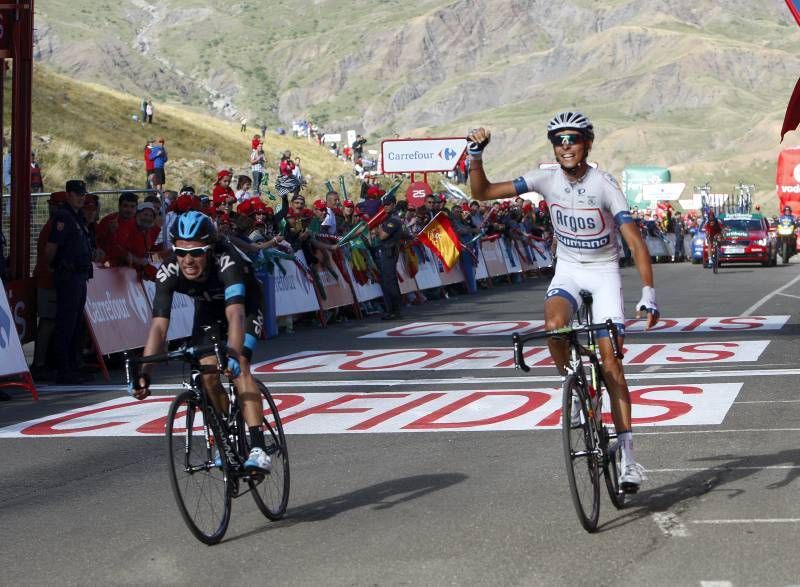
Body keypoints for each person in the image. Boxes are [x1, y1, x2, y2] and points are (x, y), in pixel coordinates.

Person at [467, 111, 659, 492]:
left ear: (587, 143)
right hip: (569, 269)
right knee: (554, 327)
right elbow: (483, 193)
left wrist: (648, 294)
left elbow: (635, 241)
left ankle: (630, 460)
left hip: (603, 272)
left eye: (573, 138)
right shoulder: (544, 179)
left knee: (611, 366)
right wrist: (475, 155)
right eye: (559, 140)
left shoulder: (605, 184)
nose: (566, 145)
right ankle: (571, 382)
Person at [130, 211, 271, 472]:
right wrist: (145, 373)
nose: (188, 260)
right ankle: (226, 439)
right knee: (207, 375)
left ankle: (259, 448)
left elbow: (236, 314)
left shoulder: (227, 262)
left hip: (245, 305)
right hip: (208, 309)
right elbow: (159, 327)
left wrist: (232, 353)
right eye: (181, 252)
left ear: (209, 250)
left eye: (196, 252)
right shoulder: (169, 271)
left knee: (238, 362)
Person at [44, 180, 94, 384]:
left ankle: (73, 366)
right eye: (77, 193)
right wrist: (57, 267)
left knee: (75, 325)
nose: (81, 197)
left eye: (83, 193)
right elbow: (51, 248)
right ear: (68, 194)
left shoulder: (77, 217)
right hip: (69, 276)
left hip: (80, 275)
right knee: (66, 324)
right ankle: (63, 369)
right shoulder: (63, 216)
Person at [31, 191, 68, 379]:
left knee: (52, 321)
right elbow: (49, 253)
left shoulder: (55, 224)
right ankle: (39, 363)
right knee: (47, 321)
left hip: (53, 278)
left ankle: (45, 361)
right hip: (48, 279)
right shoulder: (54, 226)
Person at [374, 194, 409, 320]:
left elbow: (383, 235)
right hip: (386, 251)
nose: (386, 207)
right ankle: (393, 310)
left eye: (388, 204)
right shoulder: (389, 218)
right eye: (384, 204)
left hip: (389, 252)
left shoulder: (393, 220)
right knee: (388, 281)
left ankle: (395, 310)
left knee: (390, 282)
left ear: (394, 204)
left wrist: (375, 230)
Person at [96, 191, 139, 264]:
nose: (129, 210)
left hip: (133, 264)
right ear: (119, 206)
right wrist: (110, 233)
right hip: (109, 265)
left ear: (136, 207)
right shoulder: (107, 221)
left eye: (132, 206)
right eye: (125, 206)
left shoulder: (140, 222)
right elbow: (98, 245)